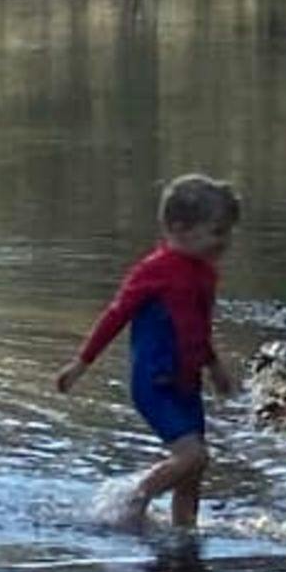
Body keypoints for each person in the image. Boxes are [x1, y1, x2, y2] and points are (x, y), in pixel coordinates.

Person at [56, 173, 244, 532]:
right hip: (154, 383)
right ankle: (132, 501)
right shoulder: (154, 271)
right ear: (179, 228)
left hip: (187, 383)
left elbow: (197, 327)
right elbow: (116, 315)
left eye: (228, 232)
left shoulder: (204, 273)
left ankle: (184, 533)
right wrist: (81, 363)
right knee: (193, 455)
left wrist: (215, 367)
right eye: (217, 232)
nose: (226, 242)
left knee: (194, 469)